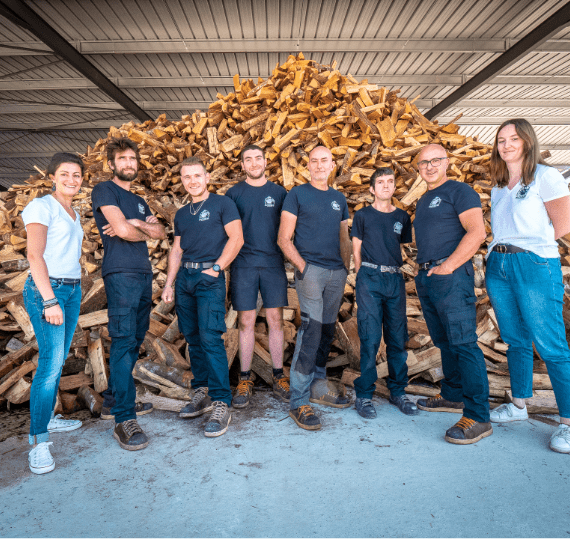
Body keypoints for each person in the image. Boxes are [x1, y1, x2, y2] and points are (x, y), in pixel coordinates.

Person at [486, 118, 570, 453]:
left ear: (527, 142)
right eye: (501, 140)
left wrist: (532, 250)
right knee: (515, 339)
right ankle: (519, 406)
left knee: (551, 344)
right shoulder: (499, 184)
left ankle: (567, 423)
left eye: (513, 139)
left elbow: (562, 225)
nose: (506, 145)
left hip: (534, 264)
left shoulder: (545, 176)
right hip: (500, 264)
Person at [413, 144, 492, 445]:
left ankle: (479, 416)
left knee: (463, 343)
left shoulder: (460, 191)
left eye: (435, 161)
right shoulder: (423, 200)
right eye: (424, 163)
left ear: (447, 163)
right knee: (445, 341)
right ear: (418, 168)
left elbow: (477, 232)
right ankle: (452, 395)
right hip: (429, 276)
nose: (429, 166)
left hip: (452, 276)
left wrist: (447, 267)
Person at [91, 137, 165, 451]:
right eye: (123, 159)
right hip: (119, 272)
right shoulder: (104, 190)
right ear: (112, 164)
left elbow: (160, 233)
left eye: (133, 159)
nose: (129, 163)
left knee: (134, 340)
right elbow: (120, 232)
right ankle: (124, 419)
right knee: (123, 340)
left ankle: (111, 401)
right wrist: (138, 229)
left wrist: (134, 222)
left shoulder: (139, 202)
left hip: (143, 273)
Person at [162, 156, 243, 437]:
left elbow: (237, 238)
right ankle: (202, 392)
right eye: (187, 177)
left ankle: (222, 401)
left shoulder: (223, 204)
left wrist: (218, 267)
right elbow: (176, 250)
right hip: (185, 279)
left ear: (207, 177)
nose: (192, 181)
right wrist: (170, 283)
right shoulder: (182, 214)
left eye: (197, 176)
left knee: (211, 338)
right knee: (193, 338)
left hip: (209, 279)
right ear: (182, 181)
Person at [278, 145, 351, 430]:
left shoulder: (339, 198)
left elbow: (344, 237)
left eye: (324, 161)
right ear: (307, 166)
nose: (319, 165)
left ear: (332, 165)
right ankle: (298, 400)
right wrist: (303, 267)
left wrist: (345, 269)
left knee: (328, 329)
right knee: (311, 329)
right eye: (314, 161)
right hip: (311, 272)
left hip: (337, 273)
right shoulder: (297, 195)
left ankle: (317, 384)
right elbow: (284, 238)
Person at [22, 152, 85, 474]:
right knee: (49, 364)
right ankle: (39, 441)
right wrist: (49, 300)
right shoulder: (41, 207)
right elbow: (34, 255)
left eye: (77, 175)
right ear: (52, 177)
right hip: (48, 290)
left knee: (57, 359)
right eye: (65, 174)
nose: (71, 180)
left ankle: (47, 419)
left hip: (72, 289)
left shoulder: (73, 212)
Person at [225, 145, 290, 409]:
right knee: (246, 321)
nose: (253, 163)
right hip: (244, 264)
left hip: (273, 263)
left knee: (276, 319)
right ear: (242, 165)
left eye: (258, 158)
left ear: (266, 161)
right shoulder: (233, 194)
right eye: (248, 160)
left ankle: (278, 376)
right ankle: (244, 378)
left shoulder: (280, 193)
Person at [351, 167, 417, 419]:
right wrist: (362, 275)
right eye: (381, 182)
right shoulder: (363, 215)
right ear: (372, 188)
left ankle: (398, 391)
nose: (386, 185)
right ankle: (365, 395)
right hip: (369, 277)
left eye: (390, 181)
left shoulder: (402, 216)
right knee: (369, 336)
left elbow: (400, 247)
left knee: (397, 337)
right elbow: (356, 249)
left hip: (394, 278)